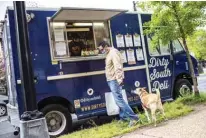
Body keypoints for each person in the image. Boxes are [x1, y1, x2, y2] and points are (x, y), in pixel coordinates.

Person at [98, 41, 139, 127]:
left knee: (119, 100)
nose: (101, 51)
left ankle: (134, 118)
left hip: (114, 80)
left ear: (106, 46)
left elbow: (118, 66)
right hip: (111, 79)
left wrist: (119, 79)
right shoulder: (109, 54)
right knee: (119, 99)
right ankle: (123, 117)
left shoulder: (113, 53)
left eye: (102, 49)